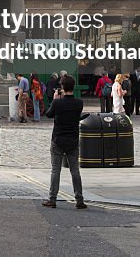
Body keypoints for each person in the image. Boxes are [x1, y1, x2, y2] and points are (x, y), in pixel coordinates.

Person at [42, 75, 88, 209]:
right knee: (75, 171)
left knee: (56, 170)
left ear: (62, 87)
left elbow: (49, 114)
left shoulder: (57, 103)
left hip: (58, 139)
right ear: (73, 87)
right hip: (72, 140)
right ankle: (79, 199)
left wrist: (55, 100)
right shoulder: (79, 103)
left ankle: (52, 199)